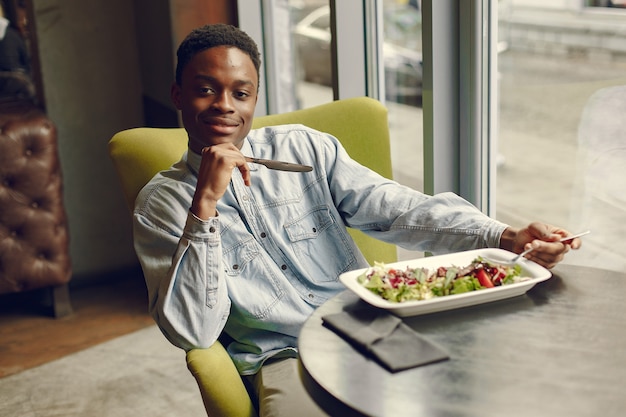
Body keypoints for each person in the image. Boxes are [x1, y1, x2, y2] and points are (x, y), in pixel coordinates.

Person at [133, 23, 582, 417]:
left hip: (368, 325)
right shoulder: (160, 204)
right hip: (283, 358)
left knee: (471, 394)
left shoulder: (304, 151)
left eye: (241, 92)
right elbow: (193, 329)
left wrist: (505, 235)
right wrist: (205, 205)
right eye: (205, 88)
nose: (224, 106)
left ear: (255, 98)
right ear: (177, 94)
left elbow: (397, 207)